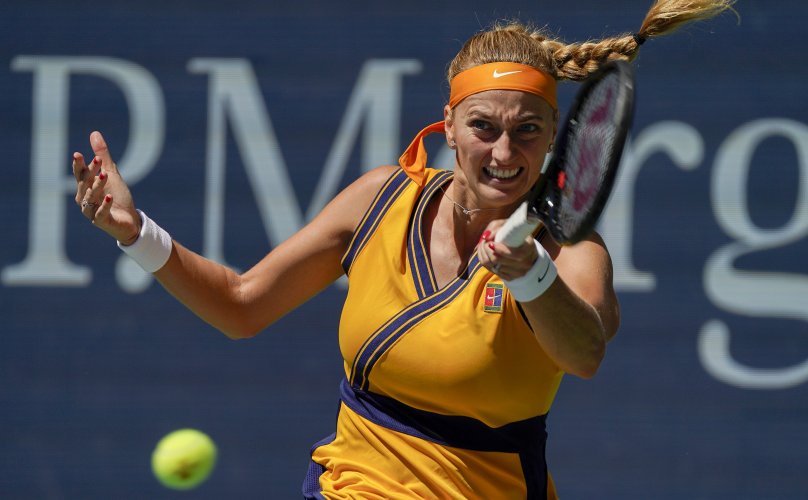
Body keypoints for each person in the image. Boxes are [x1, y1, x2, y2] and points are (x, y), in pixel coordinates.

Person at [72, 1, 734, 497]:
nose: (504, 152)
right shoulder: (379, 199)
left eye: (528, 130)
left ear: (555, 133)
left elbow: (585, 353)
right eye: (484, 127)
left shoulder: (568, 249)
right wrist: (135, 233)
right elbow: (242, 304)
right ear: (449, 124)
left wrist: (530, 274)